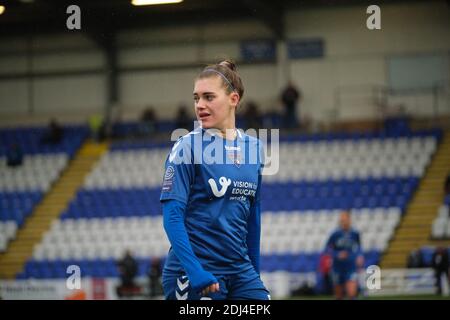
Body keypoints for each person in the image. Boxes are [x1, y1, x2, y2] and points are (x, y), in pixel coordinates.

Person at [160, 59, 269, 300]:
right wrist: (195, 271)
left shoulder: (254, 149)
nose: (200, 105)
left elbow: (253, 219)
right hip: (194, 271)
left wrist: (254, 274)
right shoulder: (186, 147)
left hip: (240, 271)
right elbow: (172, 217)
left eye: (209, 97)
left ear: (233, 99)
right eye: (196, 98)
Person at [325, 211, 364, 300]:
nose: (344, 222)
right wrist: (337, 254)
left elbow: (359, 246)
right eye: (342, 220)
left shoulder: (355, 233)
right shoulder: (335, 234)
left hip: (350, 266)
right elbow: (327, 249)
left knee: (351, 293)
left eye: (345, 219)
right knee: (339, 296)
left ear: (349, 220)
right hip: (337, 267)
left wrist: (360, 256)